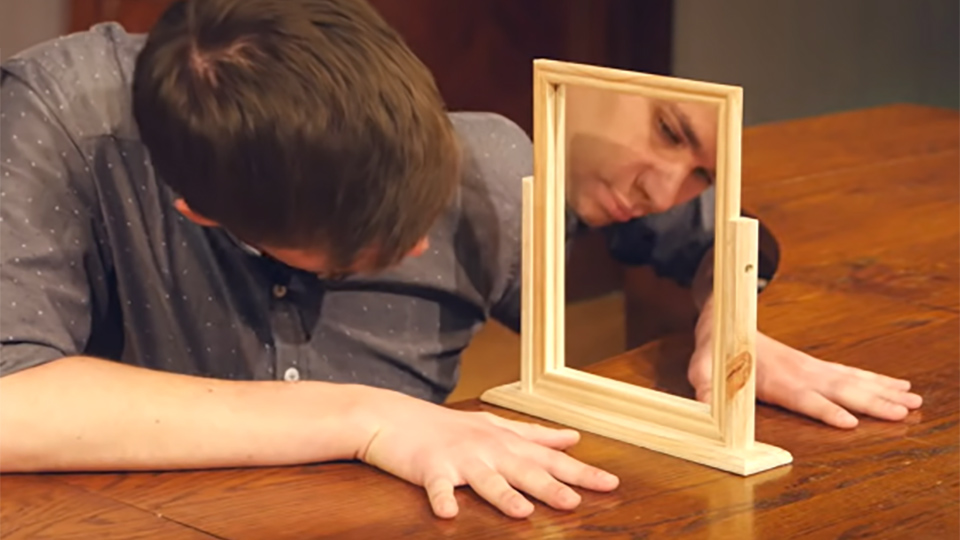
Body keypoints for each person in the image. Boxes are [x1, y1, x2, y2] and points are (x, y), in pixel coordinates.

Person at [0, 0, 920, 521]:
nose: (415, 249)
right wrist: (367, 419)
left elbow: (710, 234)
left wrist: (732, 318)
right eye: (370, 252)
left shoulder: (486, 163)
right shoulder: (65, 122)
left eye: (424, 214)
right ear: (201, 212)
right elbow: (11, 404)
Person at [563, 84, 922, 429]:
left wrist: (726, 322)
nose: (661, 195)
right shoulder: (507, 160)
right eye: (668, 131)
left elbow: (723, 242)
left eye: (703, 173)